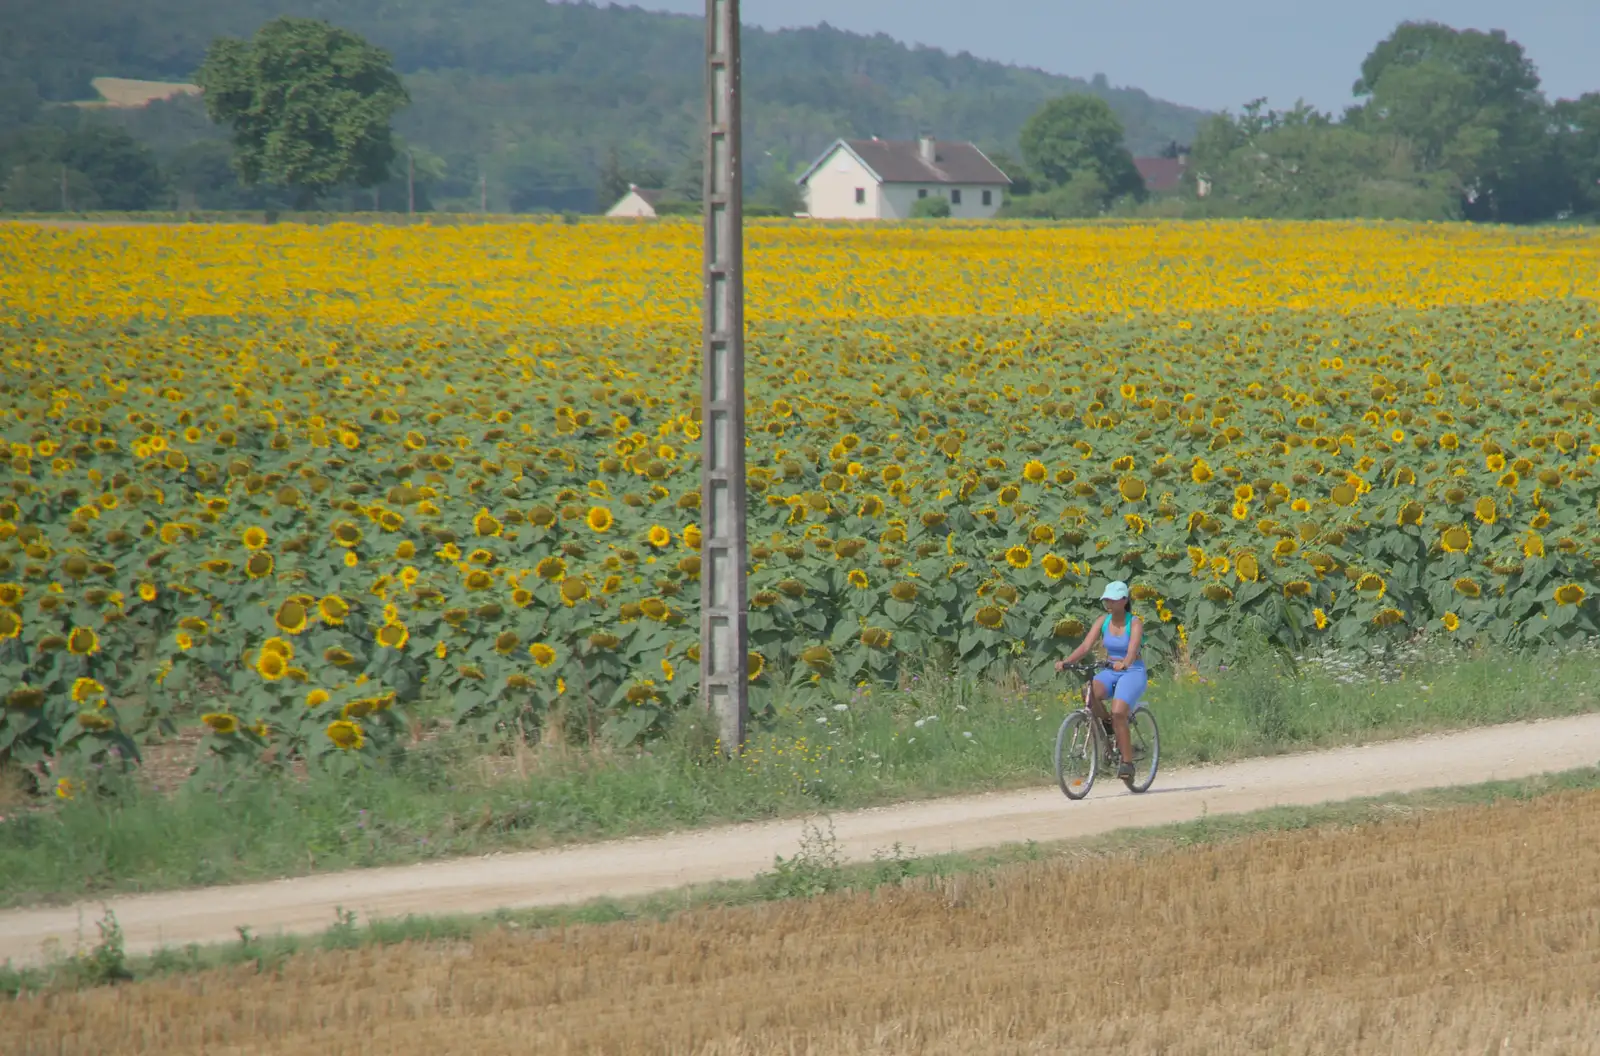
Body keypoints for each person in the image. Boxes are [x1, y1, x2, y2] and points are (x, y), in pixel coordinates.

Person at [1054, 580, 1146, 781]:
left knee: (1119, 711)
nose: (1109, 604)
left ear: (1124, 601)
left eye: (1112, 600)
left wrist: (1125, 663)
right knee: (1088, 693)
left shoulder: (1135, 623)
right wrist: (1067, 662)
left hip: (1132, 671)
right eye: (1106, 601)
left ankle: (1127, 763)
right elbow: (1086, 646)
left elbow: (1132, 651)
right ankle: (1107, 723)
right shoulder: (1103, 620)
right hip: (1109, 669)